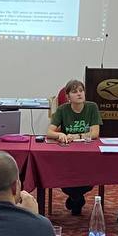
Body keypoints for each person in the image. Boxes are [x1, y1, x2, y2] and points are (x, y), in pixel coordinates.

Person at [47, 79, 102, 215]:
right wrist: (60, 135)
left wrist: (77, 136)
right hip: (68, 153)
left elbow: (95, 133)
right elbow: (49, 132)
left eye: (81, 91)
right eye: (74, 92)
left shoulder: (92, 107)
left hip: (88, 153)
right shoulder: (62, 109)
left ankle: (75, 198)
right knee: (65, 176)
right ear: (68, 97)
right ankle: (77, 198)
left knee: (88, 176)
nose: (79, 94)